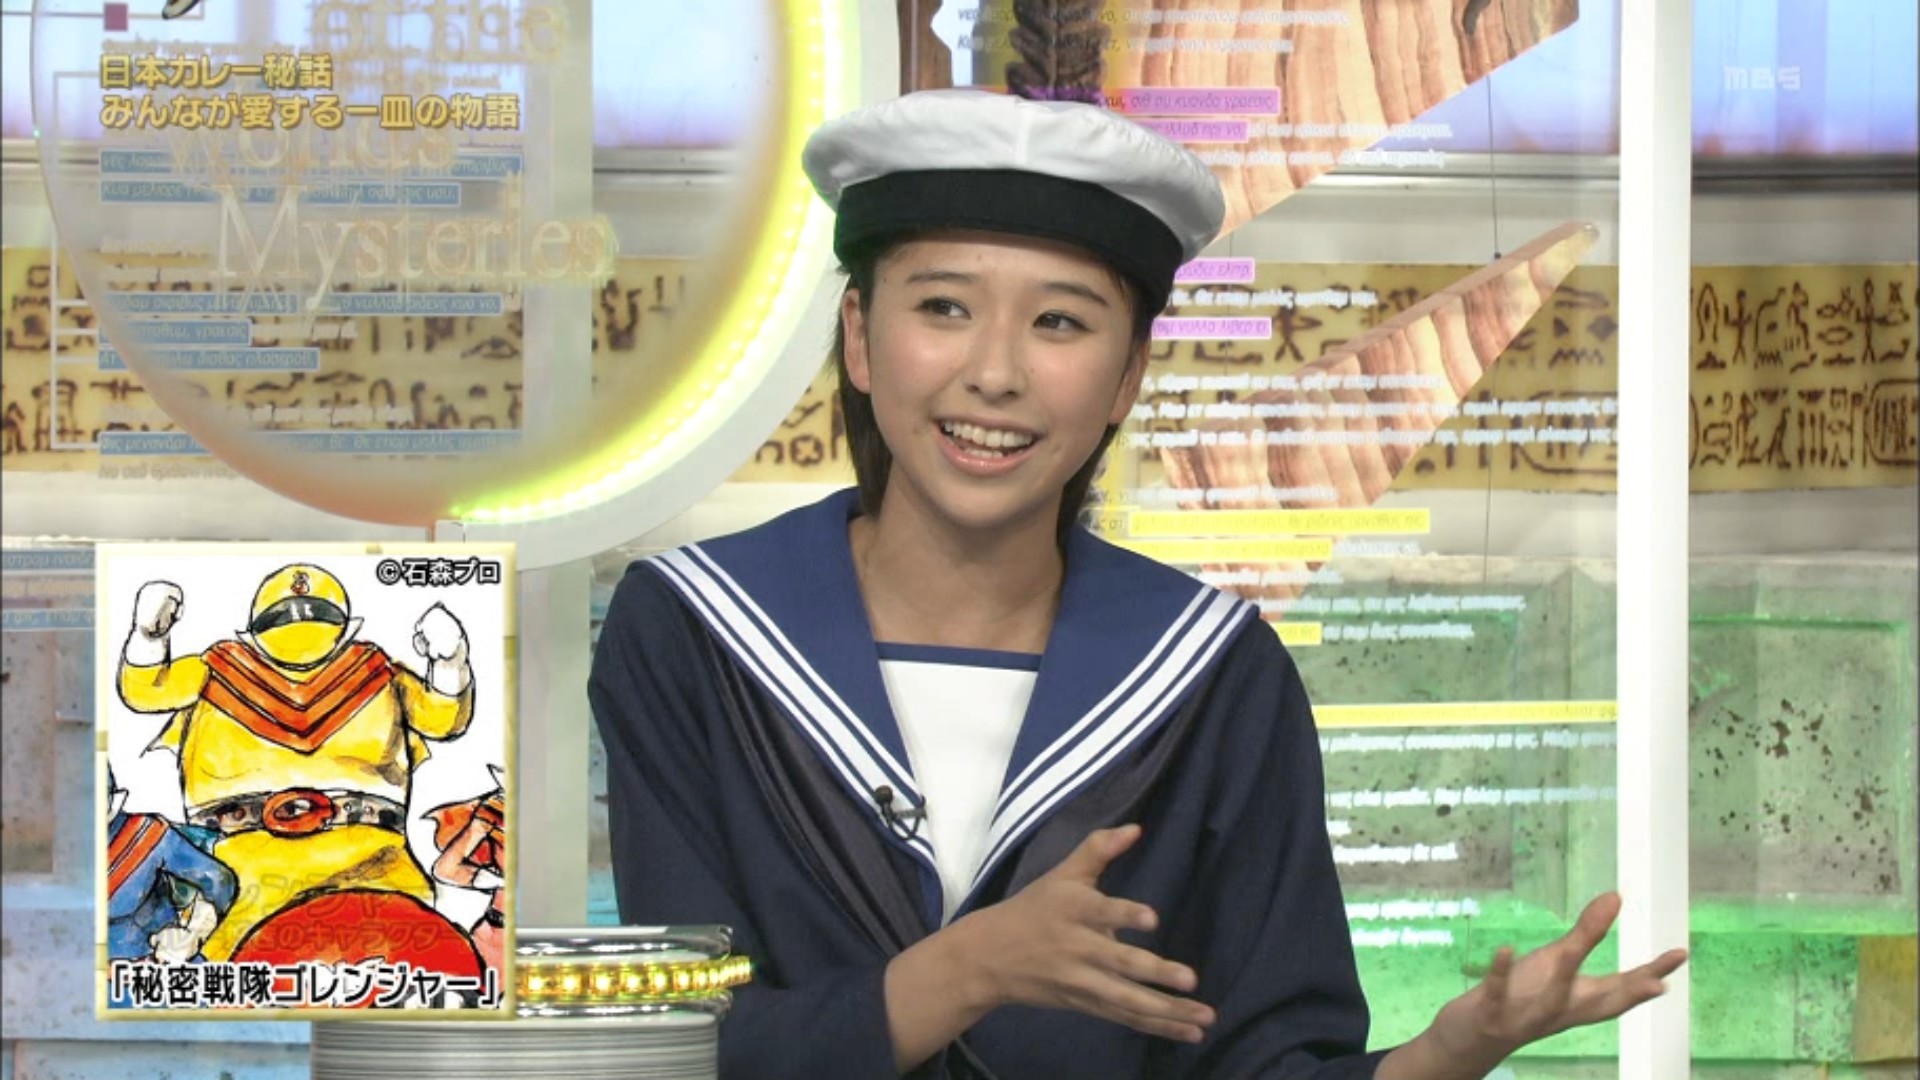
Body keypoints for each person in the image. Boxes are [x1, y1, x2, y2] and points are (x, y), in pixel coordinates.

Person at [590, 90, 1686, 1080]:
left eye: (1060, 321)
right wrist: (967, 970)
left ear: (1127, 377)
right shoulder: (693, 631)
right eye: (944, 308)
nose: (995, 372)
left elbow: (1267, 1061)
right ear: (860, 338)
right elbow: (678, 1043)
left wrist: (1449, 1055)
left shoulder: (1216, 674)